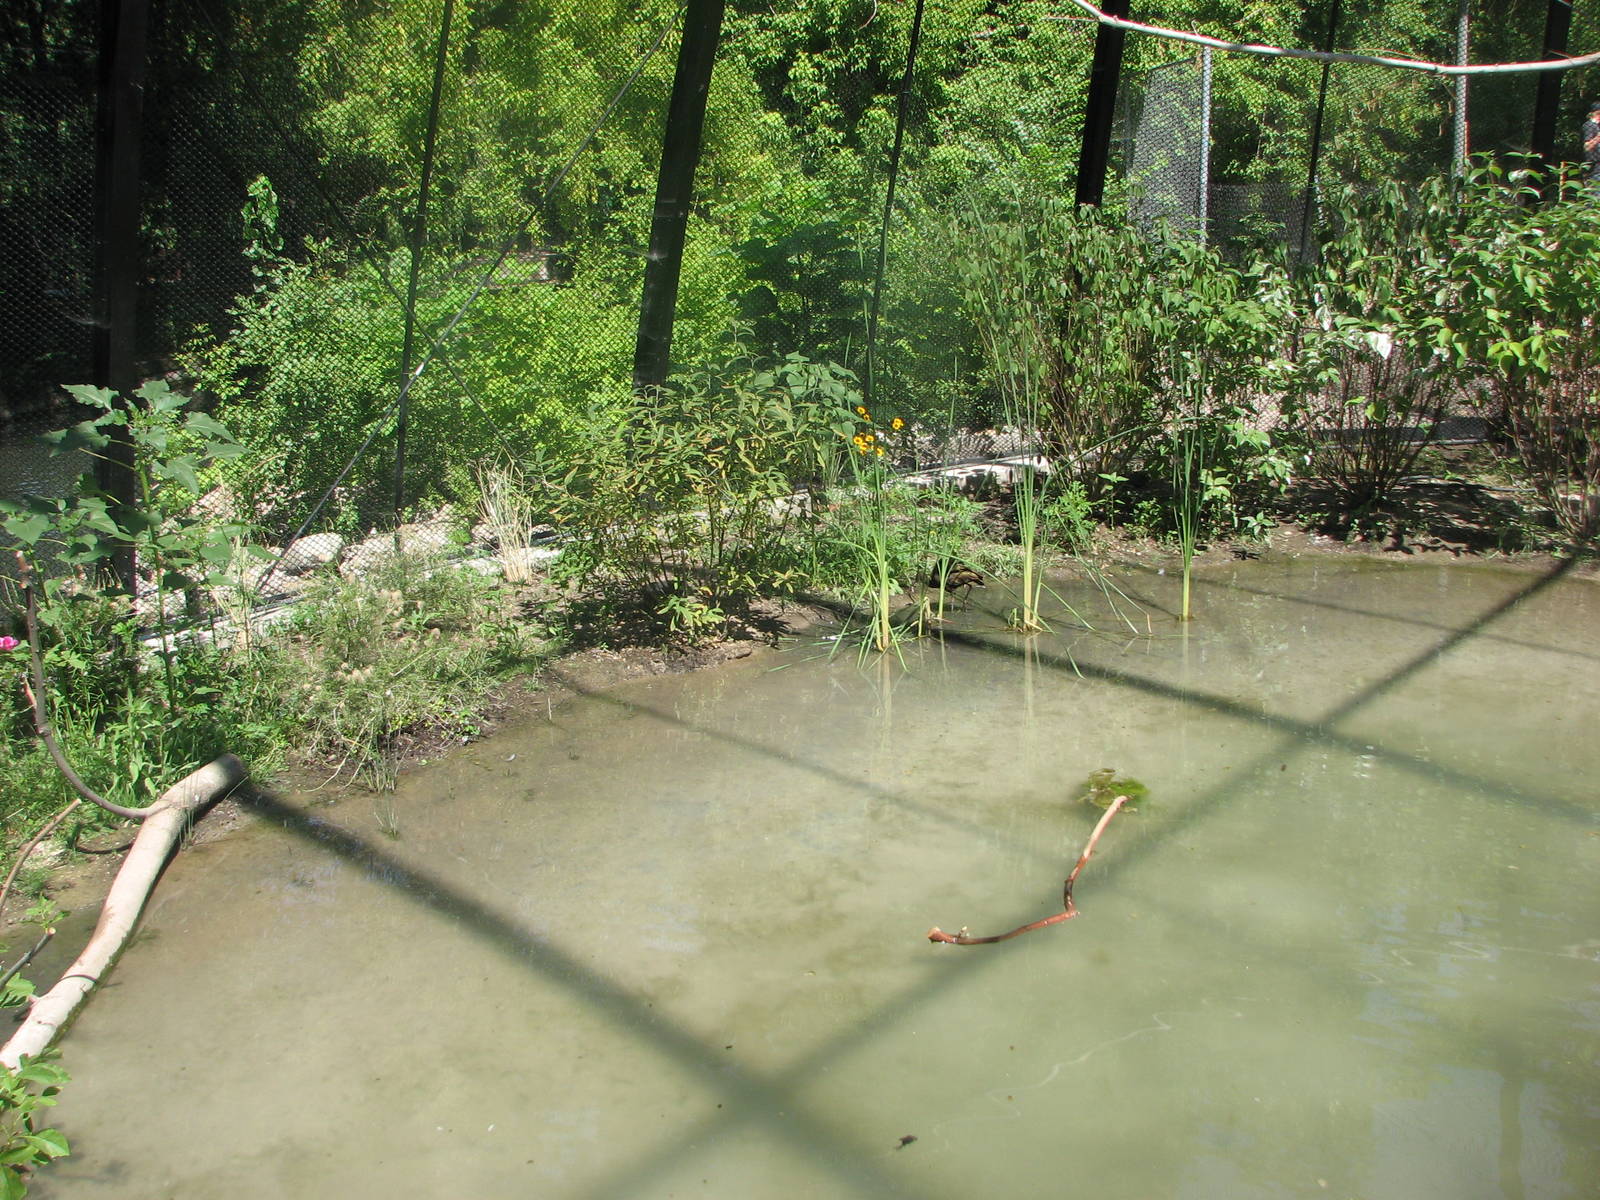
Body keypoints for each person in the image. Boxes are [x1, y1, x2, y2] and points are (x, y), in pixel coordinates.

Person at [1584, 99, 1600, 186]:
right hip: (1594, 169)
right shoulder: (1589, 125)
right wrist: (1598, 137)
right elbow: (1586, 147)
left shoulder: (1597, 126)